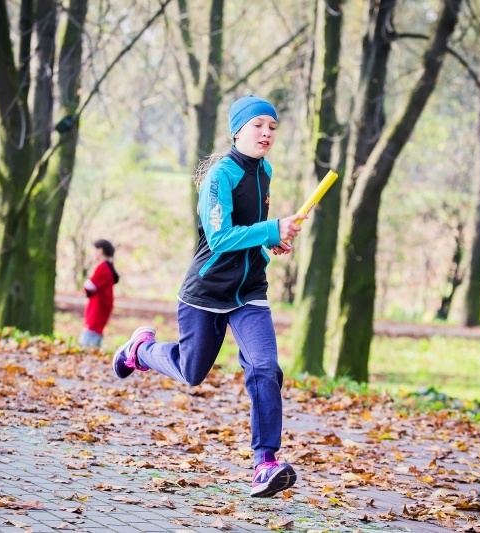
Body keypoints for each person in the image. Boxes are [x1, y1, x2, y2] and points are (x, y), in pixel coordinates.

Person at [112, 95, 305, 498]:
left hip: (249, 291)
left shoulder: (264, 170)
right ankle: (140, 350)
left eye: (272, 127)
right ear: (237, 130)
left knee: (265, 368)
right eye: (258, 126)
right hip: (205, 291)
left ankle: (265, 463)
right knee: (191, 373)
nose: (267, 133)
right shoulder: (221, 175)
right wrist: (271, 230)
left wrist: (270, 242)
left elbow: (247, 226)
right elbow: (219, 238)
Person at [79, 239, 120, 347]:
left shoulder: (103, 268)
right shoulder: (107, 267)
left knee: (87, 345)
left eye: (94, 250)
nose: (93, 253)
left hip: (96, 312)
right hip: (99, 311)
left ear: (100, 251)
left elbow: (88, 287)